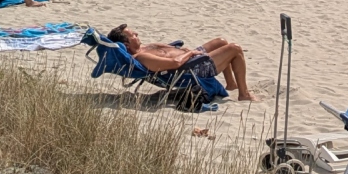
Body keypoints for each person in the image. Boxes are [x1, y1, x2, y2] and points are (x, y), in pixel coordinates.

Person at [108, 25, 255, 101]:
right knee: (235, 49)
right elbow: (175, 63)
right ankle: (244, 94)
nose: (137, 34)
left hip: (190, 59)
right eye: (133, 35)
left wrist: (184, 50)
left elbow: (170, 49)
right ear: (126, 44)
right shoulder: (142, 57)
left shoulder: (145, 47)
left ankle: (231, 84)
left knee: (221, 42)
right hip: (190, 69)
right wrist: (191, 53)